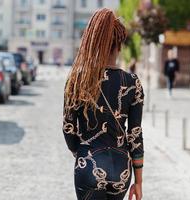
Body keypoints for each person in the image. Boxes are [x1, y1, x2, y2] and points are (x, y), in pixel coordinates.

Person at [62, 8, 144, 200]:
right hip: (121, 168)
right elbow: (135, 134)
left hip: (88, 163)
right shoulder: (132, 82)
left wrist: (81, 151)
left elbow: (68, 129)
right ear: (120, 46)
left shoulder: (77, 79)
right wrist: (138, 182)